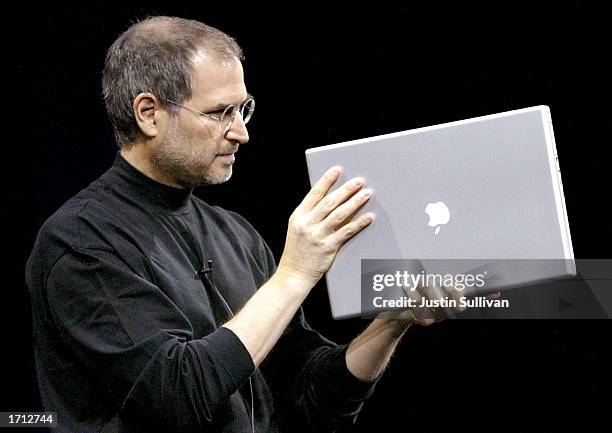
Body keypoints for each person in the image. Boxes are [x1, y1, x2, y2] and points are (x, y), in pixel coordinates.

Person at [26, 16, 460, 433]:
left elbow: (311, 403)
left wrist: (391, 323)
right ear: (148, 113)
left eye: (244, 109)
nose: (241, 133)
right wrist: (293, 275)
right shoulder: (81, 241)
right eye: (220, 113)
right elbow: (176, 400)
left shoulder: (237, 234)